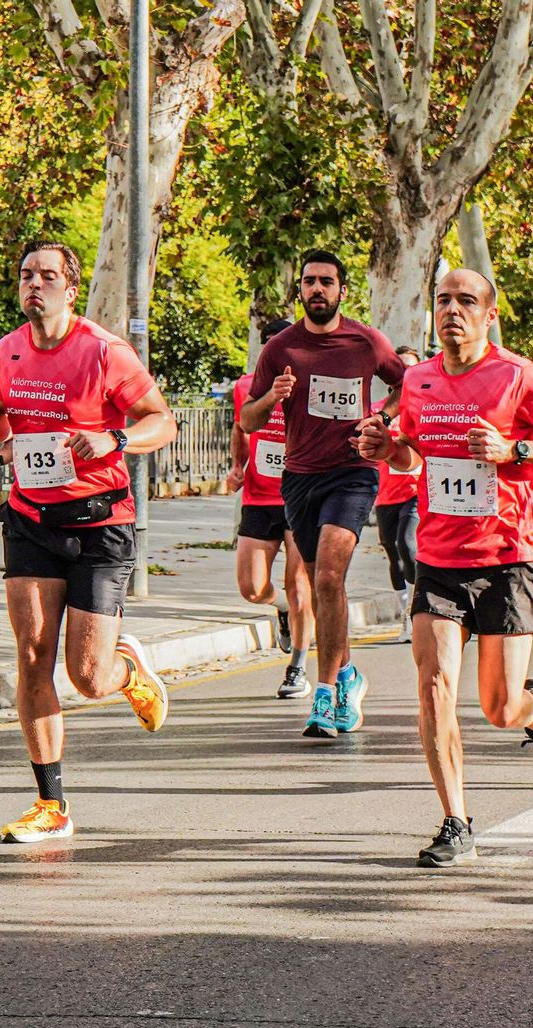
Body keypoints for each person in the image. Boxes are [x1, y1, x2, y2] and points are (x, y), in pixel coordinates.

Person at [357, 268, 533, 868]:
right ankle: (456, 821)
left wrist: (515, 449)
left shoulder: (517, 374)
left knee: (500, 707)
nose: (452, 310)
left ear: (489, 314)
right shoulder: (419, 379)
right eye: (443, 300)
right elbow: (412, 454)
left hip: (508, 557)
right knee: (434, 687)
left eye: (465, 301)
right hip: (439, 558)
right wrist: (388, 449)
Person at [0, 241, 178, 843]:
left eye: (47, 275)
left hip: (99, 524)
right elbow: (10, 421)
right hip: (30, 519)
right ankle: (52, 805)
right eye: (26, 275)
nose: (33, 284)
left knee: (87, 676)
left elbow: (162, 420)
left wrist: (116, 439)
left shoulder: (104, 351)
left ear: (70, 289)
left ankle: (128, 671)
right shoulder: (9, 349)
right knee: (32, 656)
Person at [240, 250, 406, 738]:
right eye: (309, 281)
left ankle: (326, 693)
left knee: (331, 575)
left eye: (326, 282)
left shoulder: (366, 341)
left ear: (341, 291)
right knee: (321, 587)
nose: (317, 289)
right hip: (300, 477)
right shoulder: (280, 349)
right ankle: (348, 673)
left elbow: (406, 384)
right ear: (300, 291)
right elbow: (247, 419)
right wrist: (273, 397)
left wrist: (382, 417)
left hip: (353, 472)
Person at [228, 317, 316, 698]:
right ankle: (281, 607)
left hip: (300, 496)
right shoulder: (245, 386)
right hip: (259, 496)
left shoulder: (311, 386)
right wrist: (237, 465)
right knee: (251, 587)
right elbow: (240, 427)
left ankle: (298, 667)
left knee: (299, 584)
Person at [373, 345, 424, 642]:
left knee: (407, 544)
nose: (405, 374)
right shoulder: (379, 411)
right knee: (394, 553)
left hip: (415, 492)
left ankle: (416, 612)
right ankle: (405, 612)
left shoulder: (425, 407)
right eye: (400, 368)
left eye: (411, 368)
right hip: (385, 495)